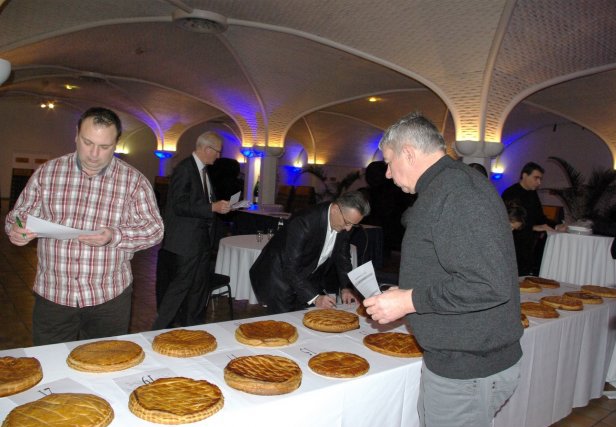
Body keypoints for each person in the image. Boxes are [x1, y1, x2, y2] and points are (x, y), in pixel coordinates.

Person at [363, 113, 522, 427]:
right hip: (459, 364)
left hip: (468, 370)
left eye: (390, 162)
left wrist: (409, 301)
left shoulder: (457, 192)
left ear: (409, 153)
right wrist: (406, 292)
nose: (388, 173)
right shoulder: (447, 186)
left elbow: (489, 284)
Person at [5, 107, 164, 346]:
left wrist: (114, 235)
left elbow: (154, 229)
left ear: (116, 144)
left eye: (104, 146)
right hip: (54, 293)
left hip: (108, 297)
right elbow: (18, 215)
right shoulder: (48, 173)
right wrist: (16, 229)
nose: (94, 154)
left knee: (105, 362)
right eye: (87, 142)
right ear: (76, 135)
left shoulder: (133, 181)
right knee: (51, 362)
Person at [153, 132, 231, 329]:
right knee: (179, 288)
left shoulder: (202, 170)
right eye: (217, 151)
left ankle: (194, 329)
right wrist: (212, 207)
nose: (218, 156)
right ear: (207, 149)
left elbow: (201, 201)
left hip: (201, 240)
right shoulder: (185, 169)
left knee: (198, 289)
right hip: (185, 241)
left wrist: (217, 206)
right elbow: (179, 205)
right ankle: (158, 330)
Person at [249, 190, 369, 314]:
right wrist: (315, 298)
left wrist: (346, 287)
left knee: (309, 318)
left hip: (306, 276)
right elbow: (290, 268)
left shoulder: (345, 222)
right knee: (284, 321)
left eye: (354, 225)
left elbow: (343, 257)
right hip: (279, 278)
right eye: (347, 222)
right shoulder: (303, 221)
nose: (348, 229)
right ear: (335, 209)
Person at [502, 162, 565, 275]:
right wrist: (533, 227)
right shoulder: (510, 193)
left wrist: (556, 225)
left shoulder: (533, 194)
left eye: (540, 179)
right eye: (536, 178)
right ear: (524, 175)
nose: (539, 182)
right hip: (512, 244)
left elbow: (540, 217)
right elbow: (508, 222)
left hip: (528, 244)